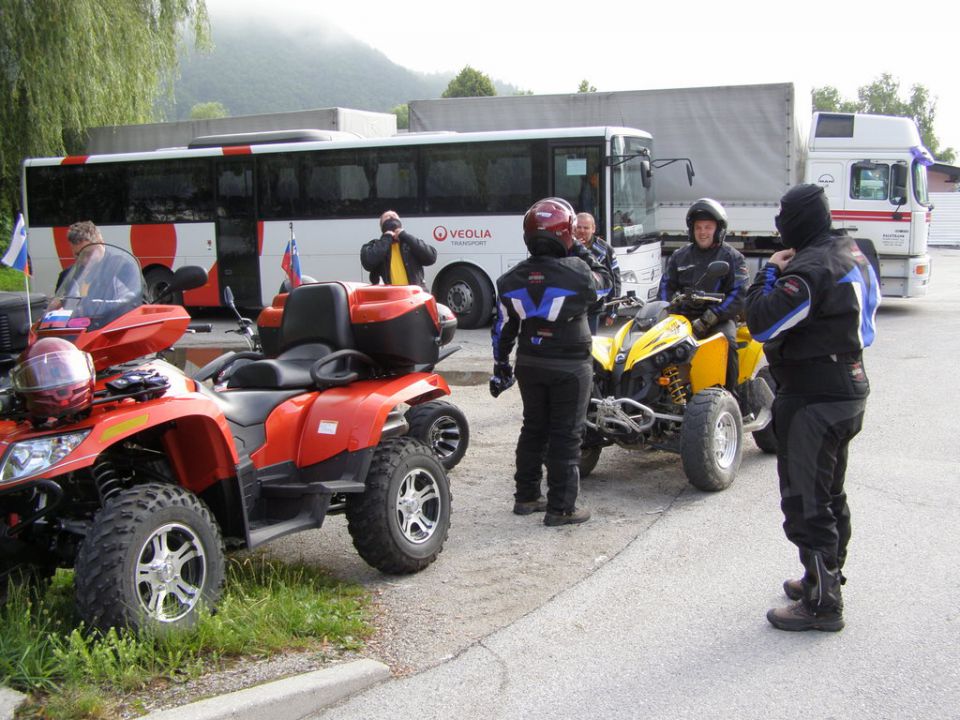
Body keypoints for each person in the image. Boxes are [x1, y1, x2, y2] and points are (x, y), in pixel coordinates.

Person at [745, 183, 880, 632]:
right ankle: (823, 578)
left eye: (784, 217)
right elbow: (867, 308)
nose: (779, 226)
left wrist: (769, 271)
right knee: (830, 491)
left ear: (800, 219)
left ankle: (823, 603)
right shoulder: (852, 251)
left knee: (806, 500)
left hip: (814, 396)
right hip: (849, 385)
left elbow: (762, 322)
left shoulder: (810, 267)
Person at [490, 197, 613, 527]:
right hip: (570, 364)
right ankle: (561, 508)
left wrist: (501, 367)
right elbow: (607, 283)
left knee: (533, 428)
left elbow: (502, 330)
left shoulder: (509, 280)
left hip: (529, 361)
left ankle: (526, 496)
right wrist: (580, 249)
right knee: (566, 435)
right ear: (567, 233)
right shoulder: (579, 274)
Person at [658, 198, 749, 395]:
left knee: (728, 342)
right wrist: (664, 310)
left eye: (708, 227)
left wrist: (710, 318)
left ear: (718, 229)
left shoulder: (732, 257)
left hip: (718, 319)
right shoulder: (679, 256)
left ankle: (731, 394)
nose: (703, 232)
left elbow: (739, 293)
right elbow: (666, 286)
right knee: (653, 346)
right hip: (683, 318)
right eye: (698, 227)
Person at [360, 210, 437, 289]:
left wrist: (405, 235)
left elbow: (431, 257)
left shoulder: (410, 243)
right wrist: (386, 239)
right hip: (390, 297)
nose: (391, 217)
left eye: (394, 216)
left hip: (414, 297)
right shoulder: (375, 245)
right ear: (382, 226)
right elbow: (368, 263)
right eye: (387, 217)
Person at [575, 212, 621, 333]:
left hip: (593, 308)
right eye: (578, 227)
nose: (582, 231)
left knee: (591, 345)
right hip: (569, 308)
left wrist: (613, 310)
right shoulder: (565, 245)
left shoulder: (605, 250)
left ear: (593, 229)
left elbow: (615, 279)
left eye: (586, 227)